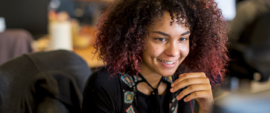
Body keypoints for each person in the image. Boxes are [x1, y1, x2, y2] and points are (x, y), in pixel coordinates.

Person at [83, 0, 228, 113]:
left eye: (182, 39)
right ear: (136, 38)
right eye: (161, 39)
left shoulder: (183, 81)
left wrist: (207, 108)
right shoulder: (105, 85)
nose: (174, 52)